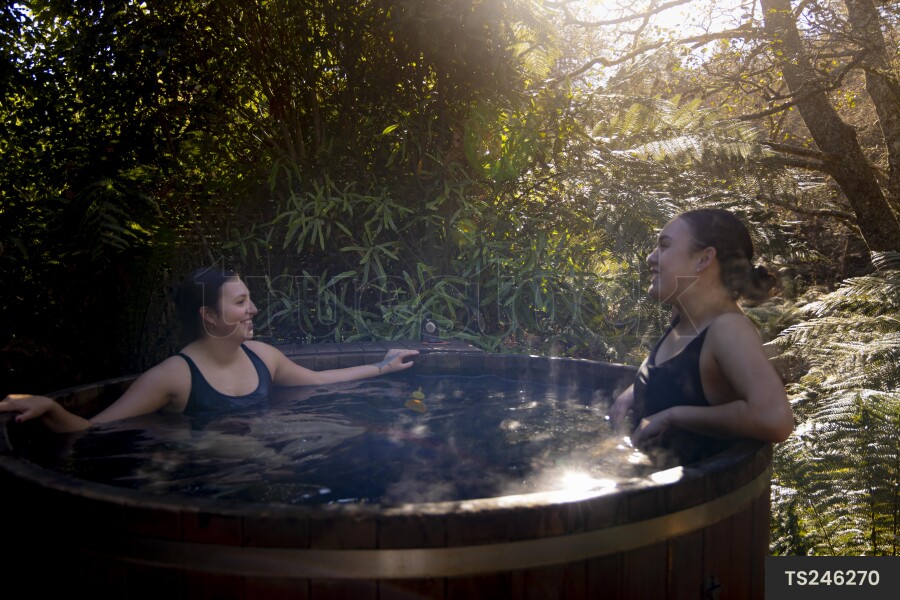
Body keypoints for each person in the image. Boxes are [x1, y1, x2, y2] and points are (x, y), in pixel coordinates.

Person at [0, 267, 419, 432]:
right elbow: (95, 430)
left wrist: (383, 368)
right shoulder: (174, 377)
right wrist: (51, 408)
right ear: (209, 316)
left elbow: (321, 380)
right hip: (207, 476)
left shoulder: (263, 356)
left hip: (263, 452)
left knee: (350, 431)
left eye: (249, 299)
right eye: (240, 303)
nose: (253, 308)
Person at [609, 209, 794, 462]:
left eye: (664, 246)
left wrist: (674, 417)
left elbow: (775, 420)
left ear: (704, 259)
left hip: (694, 496)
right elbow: (674, 372)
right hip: (646, 484)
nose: (651, 258)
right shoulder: (684, 315)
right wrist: (635, 391)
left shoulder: (728, 329)